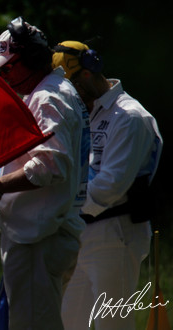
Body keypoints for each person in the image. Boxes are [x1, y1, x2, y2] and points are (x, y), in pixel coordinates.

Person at [0, 17, 89, 330]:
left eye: (9, 67)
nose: (4, 75)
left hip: (38, 242)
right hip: (40, 238)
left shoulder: (47, 97)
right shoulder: (47, 90)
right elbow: (24, 156)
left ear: (33, 60)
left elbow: (52, 165)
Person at [54, 41, 163, 330]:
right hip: (80, 231)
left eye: (70, 87)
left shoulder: (129, 117)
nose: (66, 96)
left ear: (87, 75)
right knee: (68, 321)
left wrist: (61, 202)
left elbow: (109, 187)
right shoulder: (86, 112)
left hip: (115, 233)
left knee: (112, 324)